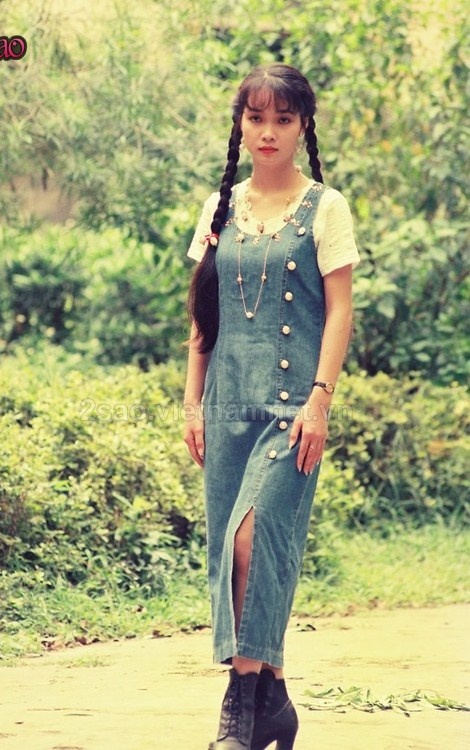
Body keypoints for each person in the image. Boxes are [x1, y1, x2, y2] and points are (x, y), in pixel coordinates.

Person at [183, 64, 360, 749]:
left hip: (293, 412)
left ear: (302, 125)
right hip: (226, 407)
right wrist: (191, 401)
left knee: (252, 540)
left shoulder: (326, 207)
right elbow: (202, 313)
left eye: (283, 119)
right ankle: (274, 700)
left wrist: (320, 400)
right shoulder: (218, 207)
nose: (268, 132)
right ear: (241, 124)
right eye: (256, 118)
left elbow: (340, 309)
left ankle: (238, 709)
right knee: (236, 555)